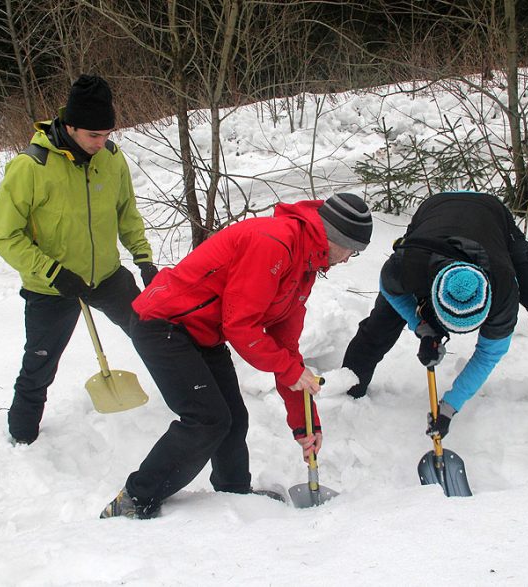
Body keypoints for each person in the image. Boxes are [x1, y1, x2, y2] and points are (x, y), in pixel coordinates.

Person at [99, 192, 373, 519]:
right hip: (164, 323)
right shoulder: (275, 244)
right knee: (207, 419)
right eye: (352, 251)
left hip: (203, 331)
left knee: (232, 417)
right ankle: (134, 500)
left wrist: (305, 423)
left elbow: (286, 350)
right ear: (334, 238)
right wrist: (288, 369)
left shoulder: (305, 266)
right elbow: (241, 326)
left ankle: (234, 496)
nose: (347, 259)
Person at [342, 191, 528, 440]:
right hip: (434, 213)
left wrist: (450, 406)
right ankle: (349, 386)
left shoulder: (504, 290)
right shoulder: (409, 266)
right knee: (383, 321)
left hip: (493, 218)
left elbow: (489, 353)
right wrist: (424, 327)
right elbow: (390, 289)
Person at [0, 74, 158, 445]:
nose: (102, 143)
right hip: (51, 287)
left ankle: (188, 401)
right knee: (39, 364)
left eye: (108, 134)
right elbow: (3, 235)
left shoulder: (112, 159)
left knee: (154, 331)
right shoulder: (31, 166)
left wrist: (143, 258)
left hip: (108, 277)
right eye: (93, 136)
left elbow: (126, 211)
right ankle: (22, 440)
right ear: (69, 126)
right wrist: (53, 272)